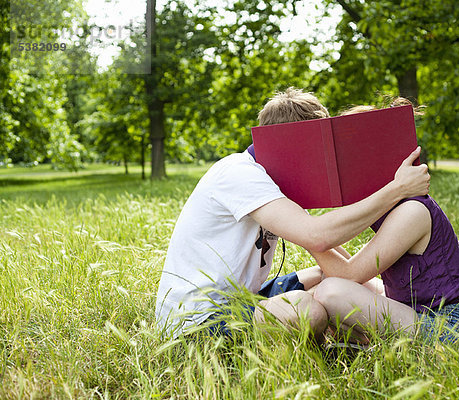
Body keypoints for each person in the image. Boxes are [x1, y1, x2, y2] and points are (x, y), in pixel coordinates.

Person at [155, 88, 431, 338]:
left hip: (244, 298)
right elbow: (317, 236)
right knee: (305, 310)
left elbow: (331, 258)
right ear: (289, 143)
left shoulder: (270, 179)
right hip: (198, 320)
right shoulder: (239, 174)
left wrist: (372, 288)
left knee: (326, 277)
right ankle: (353, 344)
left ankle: (407, 325)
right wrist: (397, 189)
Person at [311, 99, 459, 345]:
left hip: (455, 324)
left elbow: (348, 274)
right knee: (328, 281)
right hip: (419, 309)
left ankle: (385, 346)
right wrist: (312, 234)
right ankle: (379, 345)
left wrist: (307, 236)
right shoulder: (393, 208)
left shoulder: (412, 211)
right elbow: (347, 269)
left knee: (330, 291)